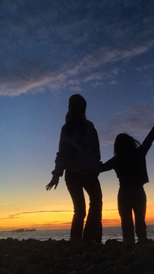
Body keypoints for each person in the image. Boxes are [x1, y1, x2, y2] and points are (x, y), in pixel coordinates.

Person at [100, 111, 154, 245]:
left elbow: (99, 169)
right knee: (139, 220)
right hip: (138, 191)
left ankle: (129, 244)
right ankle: (142, 243)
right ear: (131, 142)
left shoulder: (117, 160)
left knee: (126, 221)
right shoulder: (139, 153)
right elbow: (151, 137)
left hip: (124, 192)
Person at [46, 94, 102, 243]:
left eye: (82, 105)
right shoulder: (68, 128)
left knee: (97, 201)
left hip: (90, 173)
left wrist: (96, 164)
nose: (80, 108)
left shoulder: (90, 126)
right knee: (80, 209)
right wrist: (57, 174)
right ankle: (76, 241)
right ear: (71, 108)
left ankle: (91, 238)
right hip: (73, 174)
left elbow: (96, 148)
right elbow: (63, 151)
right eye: (76, 105)